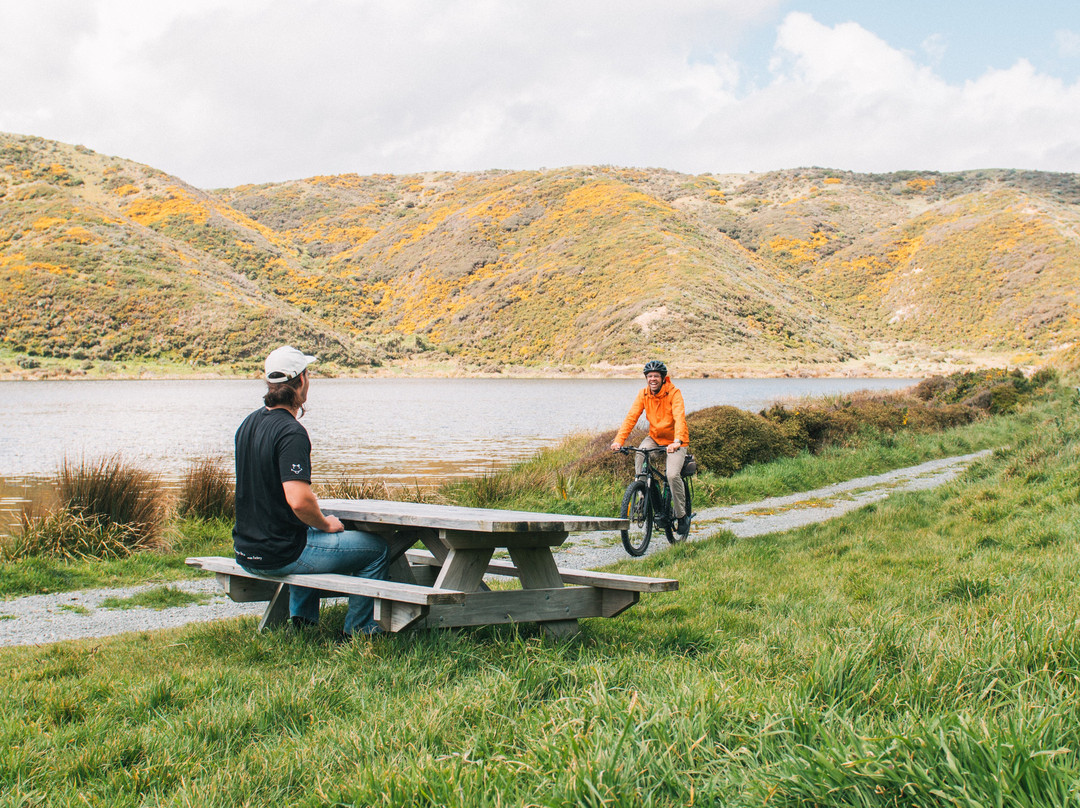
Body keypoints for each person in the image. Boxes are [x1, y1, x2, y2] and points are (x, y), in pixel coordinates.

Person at [233, 345, 388, 638]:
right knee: (377, 550)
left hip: (246, 549)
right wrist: (326, 522)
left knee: (307, 535)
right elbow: (299, 501)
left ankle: (304, 624)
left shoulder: (248, 424)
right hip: (279, 555)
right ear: (302, 381)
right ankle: (360, 629)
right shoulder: (290, 431)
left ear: (270, 383)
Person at [610, 360, 691, 535]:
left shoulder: (674, 393)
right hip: (655, 438)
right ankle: (642, 495)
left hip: (676, 441)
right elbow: (631, 418)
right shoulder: (643, 394)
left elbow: (679, 417)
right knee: (640, 454)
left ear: (663, 378)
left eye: (656, 376)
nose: (652, 379)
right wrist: (619, 441)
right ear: (646, 378)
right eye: (649, 376)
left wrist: (677, 440)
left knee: (671, 475)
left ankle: (682, 515)